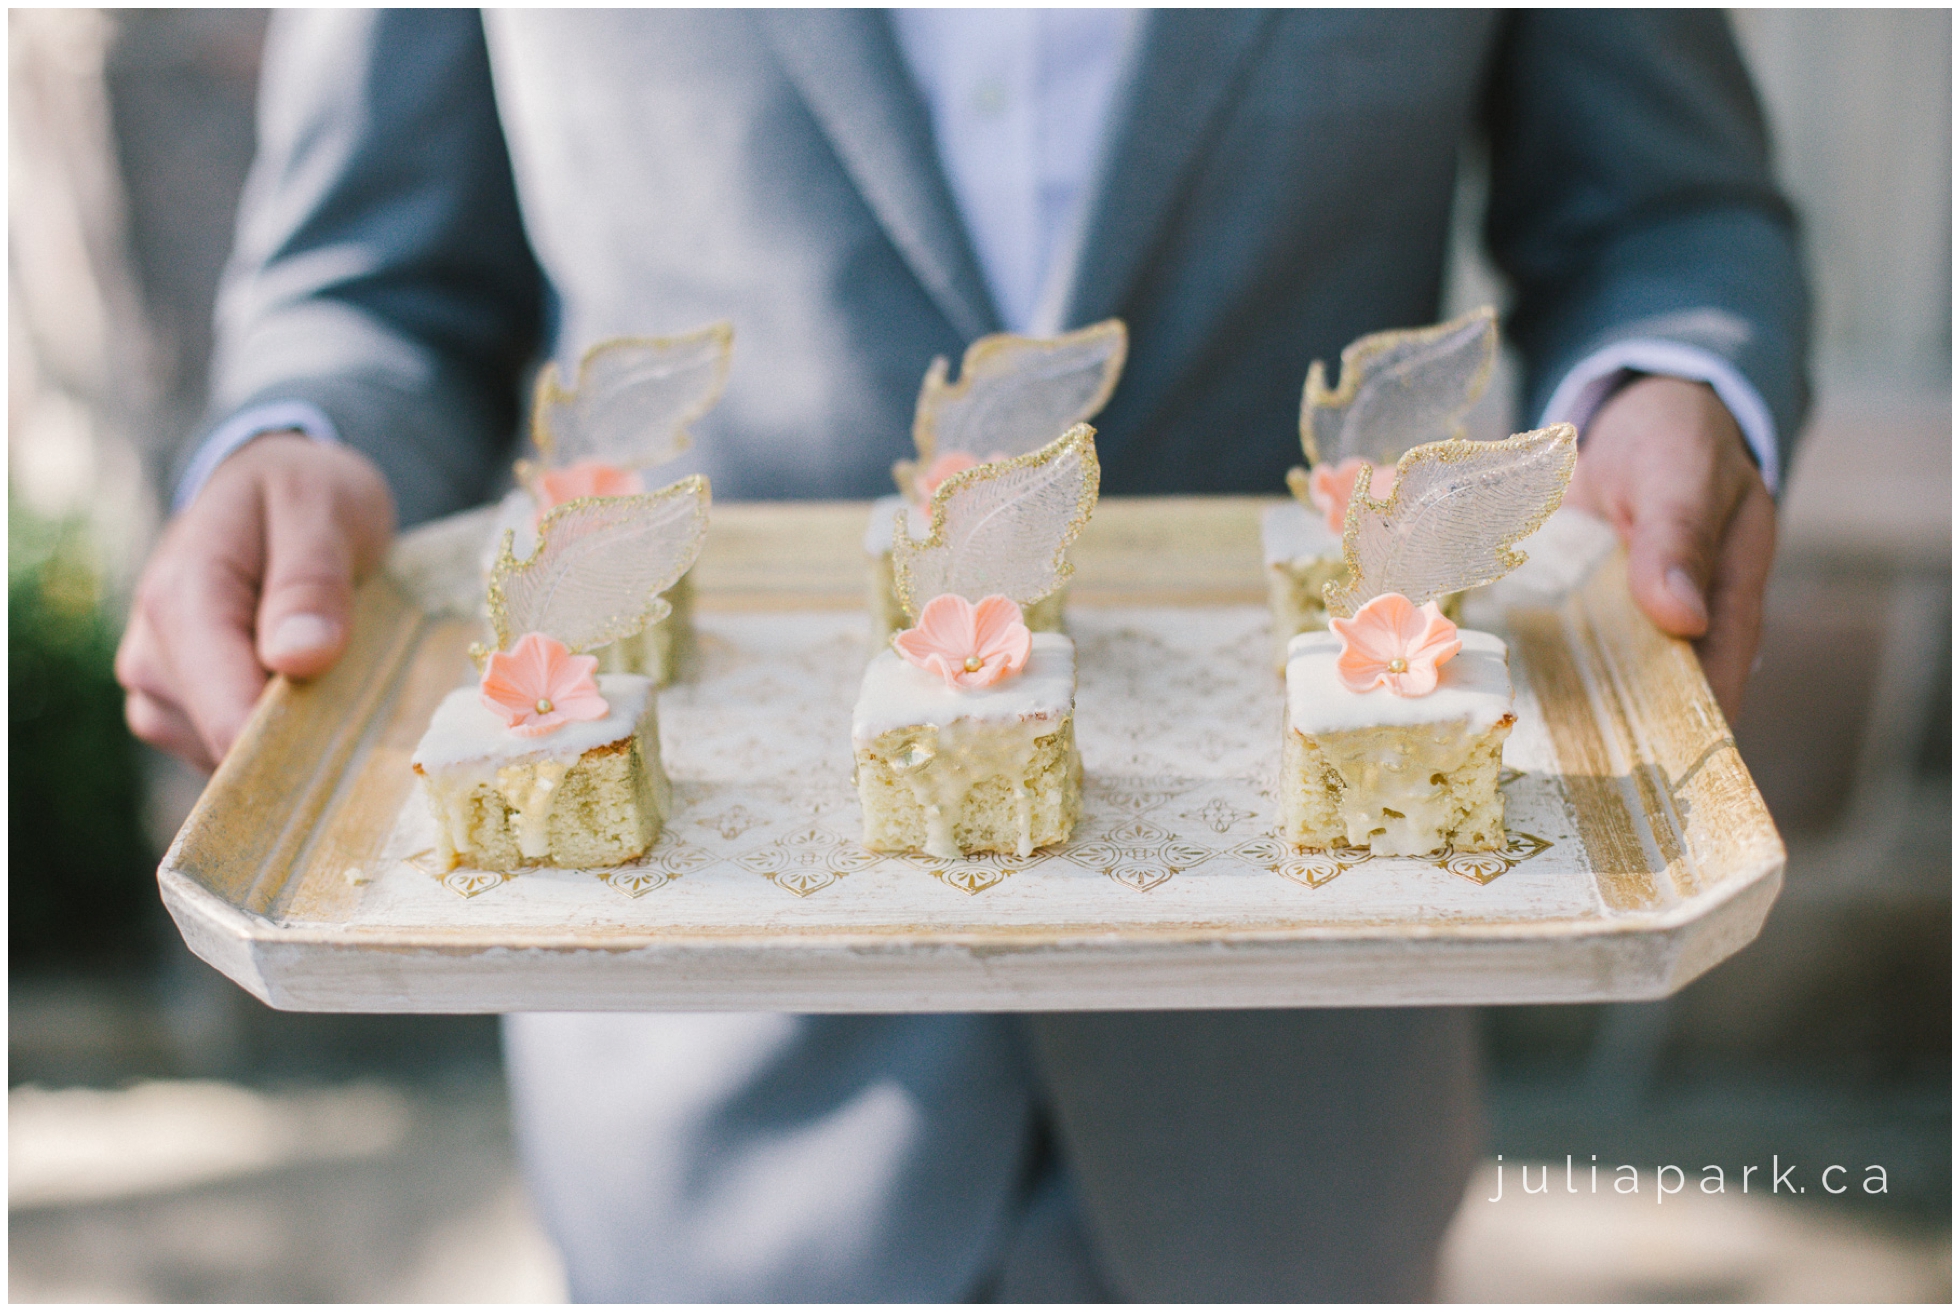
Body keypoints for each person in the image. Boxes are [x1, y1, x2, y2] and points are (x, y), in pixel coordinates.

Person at [117, 10, 1808, 1301]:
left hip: (1295, 1133)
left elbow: (1671, 214)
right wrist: (300, 435)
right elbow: (375, 284)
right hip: (714, 1138)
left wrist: (1675, 383)